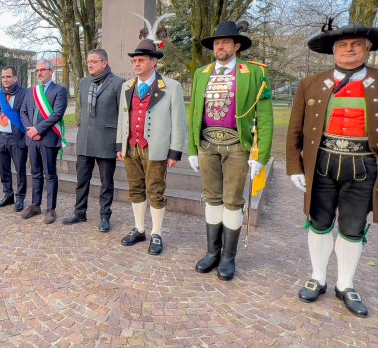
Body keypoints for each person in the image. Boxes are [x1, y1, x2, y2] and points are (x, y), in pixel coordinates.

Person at [287, 22, 378, 317]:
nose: (349, 50)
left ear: (368, 48)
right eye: (343, 45)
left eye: (356, 44)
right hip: (321, 164)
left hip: (365, 167)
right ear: (333, 50)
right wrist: (295, 165)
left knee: (353, 227)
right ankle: (317, 277)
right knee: (318, 221)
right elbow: (295, 130)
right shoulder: (310, 83)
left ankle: (345, 284)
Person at [188, 21, 273, 281]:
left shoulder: (255, 73)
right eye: (216, 43)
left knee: (232, 202)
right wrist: (192, 147)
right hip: (207, 145)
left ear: (237, 46)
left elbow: (265, 118)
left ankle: (228, 256)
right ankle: (212, 252)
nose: (220, 46)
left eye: (225, 42)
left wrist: (261, 156)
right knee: (212, 198)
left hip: (237, 147)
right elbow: (194, 113)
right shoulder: (201, 73)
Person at [115, 40, 186, 253]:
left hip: (156, 147)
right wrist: (120, 144)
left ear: (153, 62)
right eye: (134, 60)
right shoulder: (126, 86)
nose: (136, 64)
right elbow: (122, 118)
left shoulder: (172, 87)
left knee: (155, 189)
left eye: (141, 60)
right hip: (131, 146)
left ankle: (156, 233)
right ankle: (139, 229)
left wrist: (174, 151)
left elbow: (179, 121)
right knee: (135, 188)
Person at [62, 49, 124, 232]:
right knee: (82, 179)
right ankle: (79, 212)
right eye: (88, 61)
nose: (89, 64)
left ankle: (105, 216)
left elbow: (123, 115)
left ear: (104, 63)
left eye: (94, 61)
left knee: (106, 182)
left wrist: (120, 142)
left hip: (107, 140)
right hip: (85, 139)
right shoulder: (84, 82)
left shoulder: (118, 83)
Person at [19, 60, 68, 224]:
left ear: (51, 71)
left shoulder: (59, 91)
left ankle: (50, 209)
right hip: (32, 139)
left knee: (50, 174)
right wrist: (31, 131)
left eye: (43, 70)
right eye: (37, 70)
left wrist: (38, 130)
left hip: (48, 139)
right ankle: (35, 205)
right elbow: (23, 112)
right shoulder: (31, 91)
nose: (39, 72)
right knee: (35, 173)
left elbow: (57, 115)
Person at [0, 66, 29, 212]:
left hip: (17, 137)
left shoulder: (25, 93)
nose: (5, 80)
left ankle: (20, 198)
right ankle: (8, 195)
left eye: (8, 76)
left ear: (15, 78)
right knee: (3, 169)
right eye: (3, 77)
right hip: (1, 136)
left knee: (20, 169)